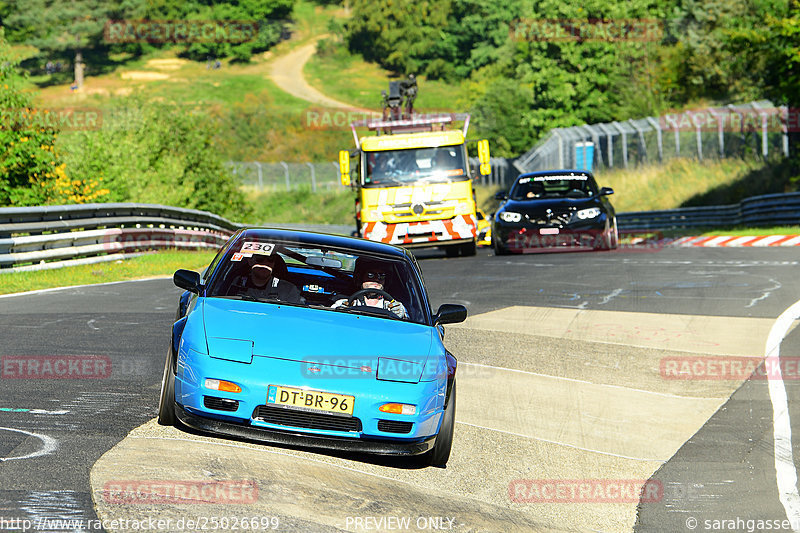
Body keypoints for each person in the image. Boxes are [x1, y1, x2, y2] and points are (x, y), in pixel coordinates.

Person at [331, 259, 408, 319]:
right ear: (360, 278)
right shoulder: (343, 304)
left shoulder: (394, 307)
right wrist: (339, 312)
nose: (376, 279)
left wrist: (402, 316)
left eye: (381, 275)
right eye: (370, 275)